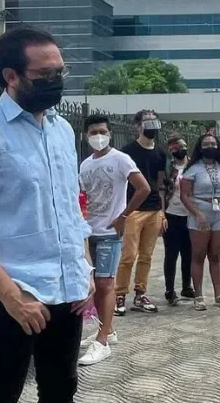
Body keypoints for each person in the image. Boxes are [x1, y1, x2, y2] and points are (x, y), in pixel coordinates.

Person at [0, 26, 95, 403]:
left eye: (61, 72)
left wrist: (84, 267)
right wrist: (12, 296)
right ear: (11, 76)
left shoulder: (61, 129)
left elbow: (69, 205)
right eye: (46, 75)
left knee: (61, 390)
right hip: (11, 296)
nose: (56, 81)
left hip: (66, 291)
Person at [77, 115, 150, 365]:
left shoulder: (120, 159)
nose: (98, 136)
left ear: (109, 133)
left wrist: (124, 216)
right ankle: (107, 328)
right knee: (96, 286)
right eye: (94, 132)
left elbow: (143, 188)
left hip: (109, 234)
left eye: (102, 131)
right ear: (86, 136)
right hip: (89, 232)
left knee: (106, 285)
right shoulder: (85, 164)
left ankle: (102, 342)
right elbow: (83, 196)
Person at [116, 110, 168, 314]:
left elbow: (161, 184)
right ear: (138, 126)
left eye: (154, 120)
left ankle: (140, 293)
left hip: (154, 209)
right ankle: (119, 295)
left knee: (147, 256)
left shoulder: (161, 153)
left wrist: (163, 212)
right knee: (128, 255)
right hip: (133, 209)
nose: (152, 125)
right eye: (147, 122)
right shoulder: (127, 151)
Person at [179, 132, 220, 311]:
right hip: (201, 212)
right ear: (200, 147)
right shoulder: (192, 169)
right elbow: (184, 195)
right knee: (198, 255)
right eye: (206, 144)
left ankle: (218, 295)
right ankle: (198, 296)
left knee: (215, 255)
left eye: (213, 143)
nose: (210, 147)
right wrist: (198, 214)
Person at [163, 135, 195, 305]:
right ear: (170, 151)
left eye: (181, 146)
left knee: (188, 253)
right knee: (171, 254)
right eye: (175, 148)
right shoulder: (168, 168)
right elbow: (162, 190)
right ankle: (170, 289)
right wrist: (162, 214)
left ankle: (186, 286)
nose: (179, 150)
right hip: (172, 213)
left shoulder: (194, 166)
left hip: (190, 215)